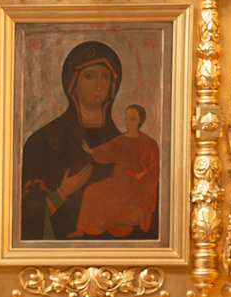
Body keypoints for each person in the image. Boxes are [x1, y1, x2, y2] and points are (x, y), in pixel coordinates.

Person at [19, 41, 157, 241]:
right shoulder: (44, 142)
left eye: (105, 77)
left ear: (113, 86)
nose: (99, 85)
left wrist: (144, 215)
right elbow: (25, 220)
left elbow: (151, 183)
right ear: (72, 84)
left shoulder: (129, 143)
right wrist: (62, 193)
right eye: (89, 76)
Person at [73, 103, 160, 238]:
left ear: (140, 121)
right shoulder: (121, 140)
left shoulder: (149, 143)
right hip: (117, 179)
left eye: (132, 119)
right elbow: (106, 151)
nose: (128, 122)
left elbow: (155, 165)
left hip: (138, 181)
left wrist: (142, 173)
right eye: (126, 119)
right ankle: (82, 228)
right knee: (92, 190)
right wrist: (91, 150)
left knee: (121, 209)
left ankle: (108, 222)